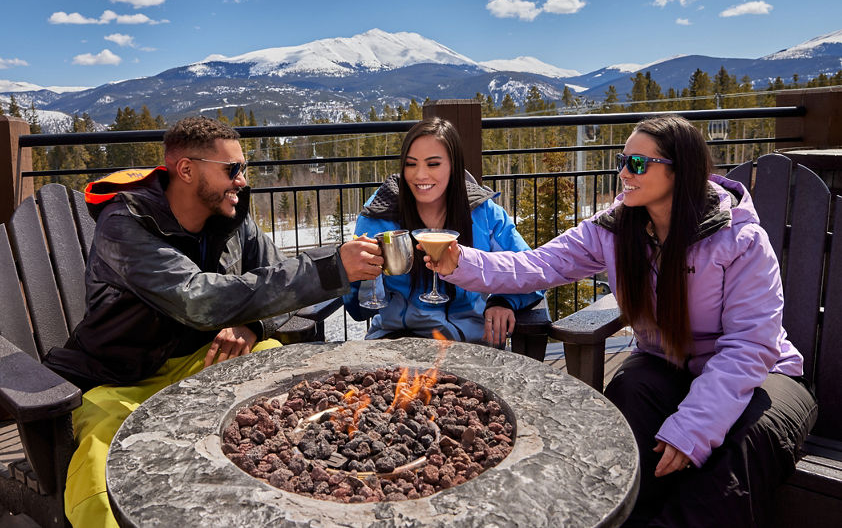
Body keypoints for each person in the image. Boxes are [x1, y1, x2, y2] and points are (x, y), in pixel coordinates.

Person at [427, 114, 818, 526]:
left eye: (636, 164)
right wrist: (460, 261)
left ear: (679, 169)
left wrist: (691, 429)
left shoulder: (739, 240)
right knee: (628, 398)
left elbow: (751, 346)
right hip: (669, 364)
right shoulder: (615, 229)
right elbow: (538, 264)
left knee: (742, 449)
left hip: (765, 376)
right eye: (622, 161)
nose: (621, 174)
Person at [43, 115, 382, 528]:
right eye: (232, 169)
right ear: (186, 169)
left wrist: (253, 327)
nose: (242, 180)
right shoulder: (126, 225)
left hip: (206, 357)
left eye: (244, 169)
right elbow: (196, 299)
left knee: (288, 376)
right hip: (119, 376)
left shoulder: (233, 218)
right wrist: (329, 270)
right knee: (103, 453)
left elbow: (277, 285)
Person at [343, 117, 543, 345]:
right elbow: (358, 311)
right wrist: (355, 277)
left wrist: (503, 302)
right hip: (396, 343)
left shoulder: (484, 214)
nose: (420, 175)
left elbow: (531, 271)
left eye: (433, 164)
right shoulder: (380, 216)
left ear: (454, 166)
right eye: (411, 164)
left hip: (472, 346)